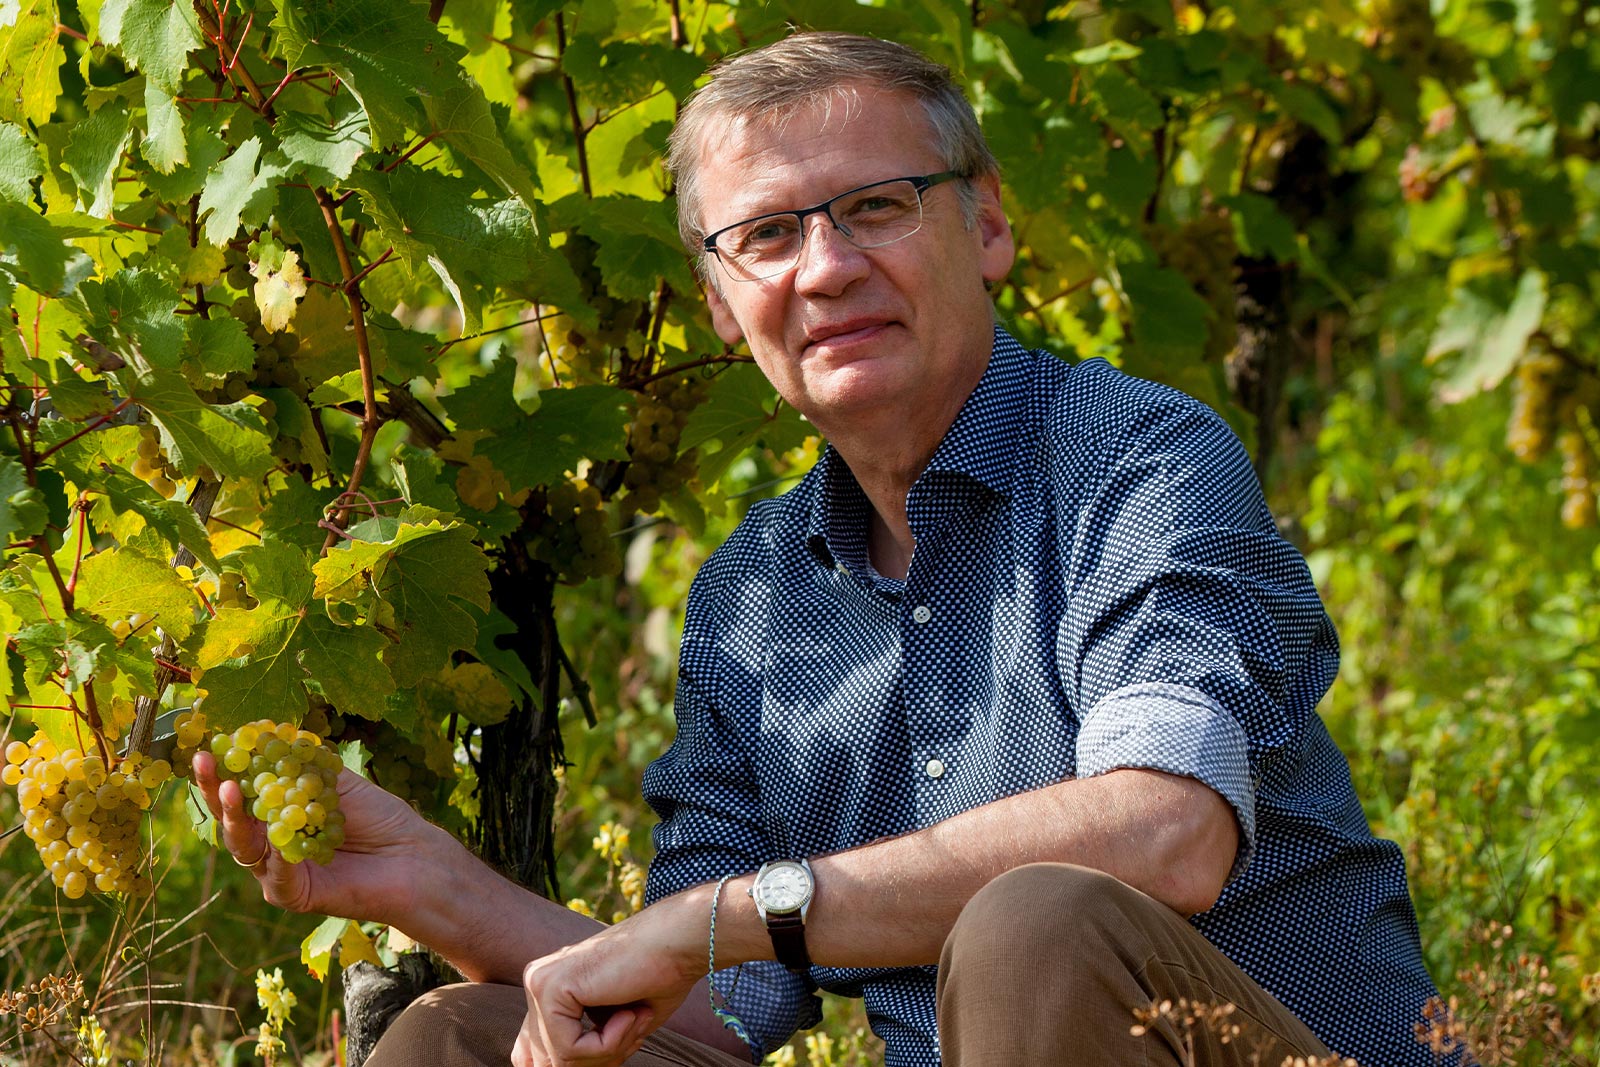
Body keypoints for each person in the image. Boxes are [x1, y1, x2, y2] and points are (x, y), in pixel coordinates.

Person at [195, 32, 1452, 1067]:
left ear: (992, 227)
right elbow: (713, 1001)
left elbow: (1166, 831)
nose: (828, 268)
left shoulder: (1138, 457)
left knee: (1037, 918)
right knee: (454, 1039)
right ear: (719, 302)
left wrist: (734, 914)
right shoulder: (749, 598)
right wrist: (434, 884)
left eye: (876, 207)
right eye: (768, 235)